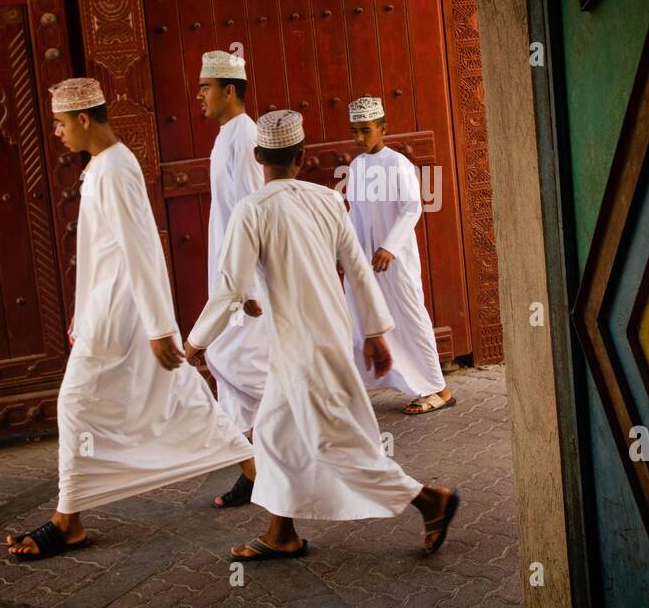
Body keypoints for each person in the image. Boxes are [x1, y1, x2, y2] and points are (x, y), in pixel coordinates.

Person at [184, 110, 460, 561]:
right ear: (301, 157)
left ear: (257, 157)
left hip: (301, 351)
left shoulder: (252, 209)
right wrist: (373, 333)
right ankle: (282, 534)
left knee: (341, 446)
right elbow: (357, 267)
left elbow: (230, 286)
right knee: (274, 436)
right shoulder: (327, 201)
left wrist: (196, 342)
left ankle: (430, 500)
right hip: (324, 338)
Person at [6, 78, 252, 560]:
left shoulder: (116, 168)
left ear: (82, 119)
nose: (56, 134)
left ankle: (68, 523)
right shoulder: (103, 166)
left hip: (121, 315)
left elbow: (141, 247)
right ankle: (258, 471)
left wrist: (159, 327)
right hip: (110, 310)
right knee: (181, 395)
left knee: (74, 404)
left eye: (59, 124)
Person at [344, 96, 454, 415]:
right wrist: (350, 252)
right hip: (368, 259)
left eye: (366, 130)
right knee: (371, 315)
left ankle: (440, 389)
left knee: (410, 316)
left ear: (382, 128)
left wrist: (390, 246)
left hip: (397, 259)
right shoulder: (356, 166)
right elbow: (356, 213)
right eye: (354, 131)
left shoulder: (397, 164)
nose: (360, 138)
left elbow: (412, 207)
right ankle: (406, 383)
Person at [197, 50, 270, 509]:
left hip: (246, 288)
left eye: (206, 87)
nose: (199, 96)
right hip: (229, 281)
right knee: (231, 381)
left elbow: (255, 208)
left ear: (229, 90)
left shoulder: (245, 137)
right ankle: (254, 473)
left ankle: (308, 431)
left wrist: (250, 288)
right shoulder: (227, 135)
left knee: (232, 360)